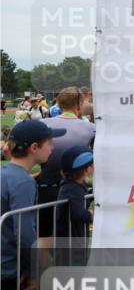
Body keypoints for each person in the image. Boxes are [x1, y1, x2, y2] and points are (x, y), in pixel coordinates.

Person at [1, 120, 65, 290]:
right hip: (11, 268)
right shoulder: (23, 183)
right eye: (50, 144)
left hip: (4, 264)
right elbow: (25, 232)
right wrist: (34, 269)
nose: (53, 149)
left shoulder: (6, 174)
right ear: (34, 148)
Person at [36, 88, 96, 253]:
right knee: (73, 241)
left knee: (44, 239)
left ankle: (43, 270)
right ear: (79, 104)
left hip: (45, 189)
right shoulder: (90, 128)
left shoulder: (43, 124)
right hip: (75, 188)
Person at [55, 145, 94, 243]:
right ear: (87, 169)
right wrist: (90, 214)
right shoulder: (73, 189)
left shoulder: (72, 184)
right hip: (71, 242)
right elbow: (78, 214)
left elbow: (80, 200)